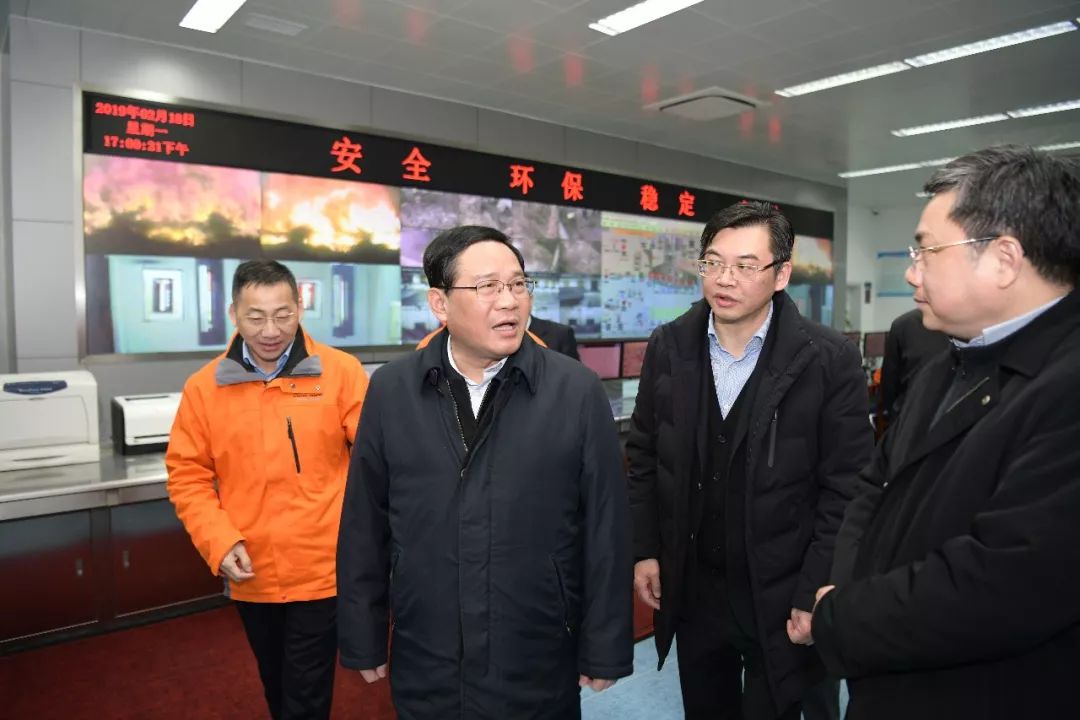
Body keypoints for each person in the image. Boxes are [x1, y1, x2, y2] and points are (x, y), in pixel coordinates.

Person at [811, 145, 1080, 719]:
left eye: (927, 251)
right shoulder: (949, 363)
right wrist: (846, 590)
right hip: (888, 674)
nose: (912, 272)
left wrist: (843, 616)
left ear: (1004, 259)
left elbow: (1003, 584)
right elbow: (874, 488)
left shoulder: (1065, 387)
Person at [337, 225, 633, 719]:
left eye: (518, 284)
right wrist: (362, 633)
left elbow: (606, 526)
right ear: (440, 303)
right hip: (427, 649)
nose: (510, 301)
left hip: (536, 650)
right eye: (488, 287)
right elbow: (364, 522)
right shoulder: (392, 390)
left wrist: (606, 643)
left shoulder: (575, 391)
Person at [626, 201, 873, 720]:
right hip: (695, 589)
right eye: (713, 263)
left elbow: (847, 487)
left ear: (781, 274)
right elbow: (645, 456)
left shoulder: (827, 359)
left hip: (781, 590)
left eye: (745, 266)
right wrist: (645, 549)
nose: (725, 279)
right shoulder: (670, 346)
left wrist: (815, 587)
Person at [166, 260, 368, 720]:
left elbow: (376, 462)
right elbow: (187, 474)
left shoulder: (341, 373)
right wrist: (219, 542)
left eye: (283, 314)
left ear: (300, 307)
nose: (271, 330)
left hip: (322, 567)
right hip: (250, 569)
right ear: (233, 313)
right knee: (275, 680)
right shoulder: (204, 388)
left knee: (306, 691)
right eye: (255, 317)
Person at [878, 308, 949, 420]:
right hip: (948, 413)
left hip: (909, 414)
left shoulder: (902, 324)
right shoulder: (967, 324)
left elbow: (889, 383)